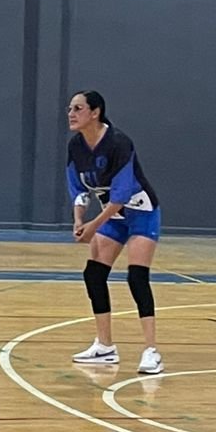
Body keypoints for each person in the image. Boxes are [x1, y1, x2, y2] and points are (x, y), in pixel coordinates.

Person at [65, 91, 163, 375]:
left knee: (137, 277)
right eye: (70, 108)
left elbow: (120, 196)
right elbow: (78, 189)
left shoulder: (119, 143)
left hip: (140, 213)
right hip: (113, 216)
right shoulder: (76, 146)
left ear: (95, 112)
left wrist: (93, 225)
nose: (71, 114)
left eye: (78, 108)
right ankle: (105, 346)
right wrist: (78, 220)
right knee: (93, 274)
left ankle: (151, 351)